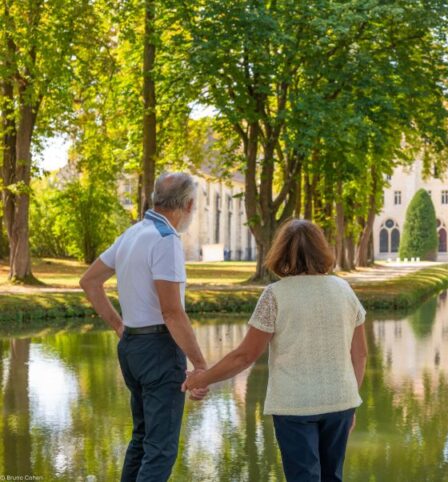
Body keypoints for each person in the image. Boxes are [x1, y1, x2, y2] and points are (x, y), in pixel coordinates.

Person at [183, 219, 368, 482]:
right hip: (340, 402)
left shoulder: (275, 295)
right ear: (322, 250)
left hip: (295, 407)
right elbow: (359, 354)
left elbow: (245, 356)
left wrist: (201, 379)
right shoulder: (344, 290)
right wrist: (351, 402)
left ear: (280, 252)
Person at [80, 172, 209, 482]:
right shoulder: (166, 241)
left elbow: (89, 281)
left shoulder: (132, 233)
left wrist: (119, 326)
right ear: (188, 205)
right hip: (159, 351)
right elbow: (172, 313)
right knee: (161, 449)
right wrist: (201, 366)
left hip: (132, 348)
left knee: (142, 439)